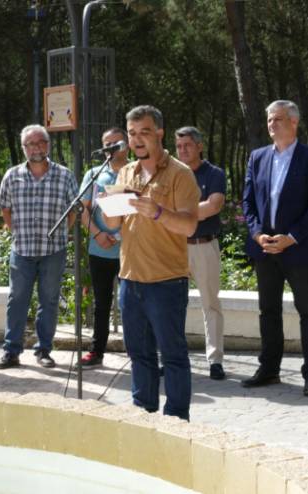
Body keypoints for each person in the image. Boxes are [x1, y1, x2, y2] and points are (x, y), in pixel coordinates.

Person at [103, 105, 200, 420]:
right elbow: (114, 224)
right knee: (139, 355)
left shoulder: (180, 174)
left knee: (172, 356)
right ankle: (143, 417)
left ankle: (176, 420)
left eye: (144, 132)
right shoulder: (125, 172)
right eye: (132, 134)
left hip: (166, 281)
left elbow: (189, 226)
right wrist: (108, 207)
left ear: (159, 132)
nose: (137, 139)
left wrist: (157, 211)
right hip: (130, 280)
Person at [240, 100, 308, 396]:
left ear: (294, 122)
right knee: (268, 311)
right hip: (265, 248)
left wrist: (291, 237)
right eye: (269, 119)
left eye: (277, 119)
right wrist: (257, 235)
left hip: (298, 249)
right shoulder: (257, 157)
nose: (271, 124)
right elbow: (248, 202)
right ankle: (269, 369)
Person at [0, 124, 78, 369]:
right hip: (22, 250)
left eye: (41, 142)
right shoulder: (12, 176)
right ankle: (11, 351)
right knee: (17, 300)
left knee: (49, 301)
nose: (37, 147)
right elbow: (5, 208)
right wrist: (16, 232)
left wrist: (62, 232)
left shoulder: (64, 175)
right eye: (31, 144)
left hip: (54, 251)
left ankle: (44, 350)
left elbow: (73, 210)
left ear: (48, 145)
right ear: (24, 148)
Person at [175, 126, 227, 380]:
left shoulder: (214, 173)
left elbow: (214, 206)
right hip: (175, 247)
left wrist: (179, 214)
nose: (183, 150)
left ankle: (215, 361)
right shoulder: (173, 174)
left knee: (210, 304)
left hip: (204, 246)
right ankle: (173, 359)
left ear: (199, 146)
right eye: (179, 146)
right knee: (172, 304)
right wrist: (194, 211)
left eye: (187, 145)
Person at [79, 127, 128, 368]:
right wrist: (98, 234)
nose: (110, 147)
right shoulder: (94, 174)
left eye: (115, 142)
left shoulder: (135, 172)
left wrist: (120, 235)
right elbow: (83, 209)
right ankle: (96, 351)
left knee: (132, 303)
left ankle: (138, 353)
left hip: (129, 251)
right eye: (106, 143)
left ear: (126, 144)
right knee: (101, 304)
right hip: (99, 249)